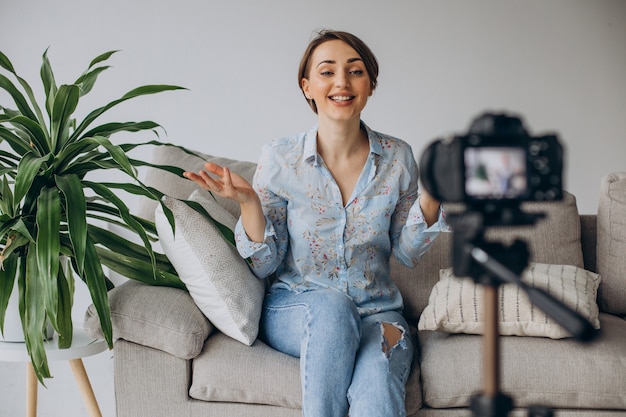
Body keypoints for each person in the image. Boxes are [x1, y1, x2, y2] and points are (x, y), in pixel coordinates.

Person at [184, 29, 448, 417]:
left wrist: (433, 195)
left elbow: (407, 254)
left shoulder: (398, 158)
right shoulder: (280, 158)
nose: (341, 82)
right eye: (327, 72)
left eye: (355, 71)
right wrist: (249, 203)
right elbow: (264, 264)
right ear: (307, 87)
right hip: (298, 309)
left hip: (382, 317)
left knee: (379, 378)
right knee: (332, 308)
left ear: (370, 85)